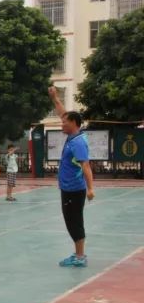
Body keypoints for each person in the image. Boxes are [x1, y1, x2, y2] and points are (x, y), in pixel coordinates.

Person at [49, 86, 95, 267]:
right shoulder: (73, 136)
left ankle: (80, 256)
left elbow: (86, 165)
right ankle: (79, 254)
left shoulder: (77, 143)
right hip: (68, 188)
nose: (62, 124)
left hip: (74, 189)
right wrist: (54, 98)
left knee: (74, 222)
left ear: (74, 123)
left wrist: (91, 188)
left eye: (64, 122)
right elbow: (63, 113)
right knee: (72, 221)